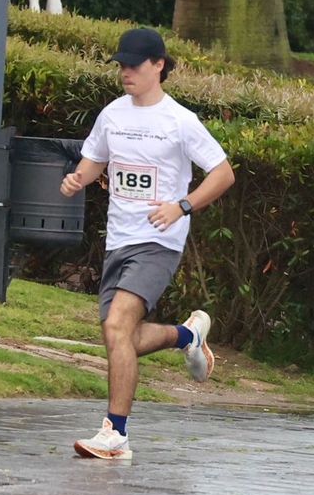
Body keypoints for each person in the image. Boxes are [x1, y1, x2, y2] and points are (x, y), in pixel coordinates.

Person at [59, 27, 236, 461]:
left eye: (134, 65)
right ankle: (187, 335)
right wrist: (77, 178)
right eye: (121, 65)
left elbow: (223, 173)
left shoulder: (180, 121)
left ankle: (114, 433)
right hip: (118, 240)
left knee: (116, 327)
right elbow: (94, 159)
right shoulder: (113, 114)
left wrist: (183, 206)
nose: (126, 72)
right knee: (123, 339)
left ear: (159, 65)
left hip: (159, 242)